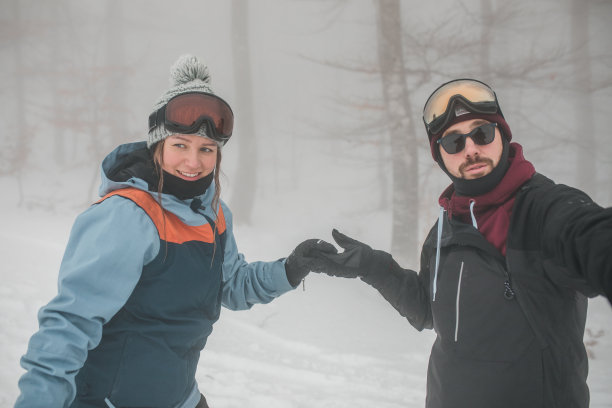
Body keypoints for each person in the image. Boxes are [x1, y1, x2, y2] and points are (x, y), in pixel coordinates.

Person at [15, 54, 331, 408]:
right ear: (157, 147)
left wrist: (290, 269)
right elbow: (70, 323)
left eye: (206, 149)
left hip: (180, 397)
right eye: (180, 145)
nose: (194, 162)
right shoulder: (127, 216)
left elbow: (231, 285)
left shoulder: (213, 213)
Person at [310, 79, 612, 408]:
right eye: (453, 142)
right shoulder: (447, 227)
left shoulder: (545, 210)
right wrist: (375, 268)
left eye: (481, 134)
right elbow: (430, 311)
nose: (470, 149)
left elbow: (594, 238)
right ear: (440, 156)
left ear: (503, 135)